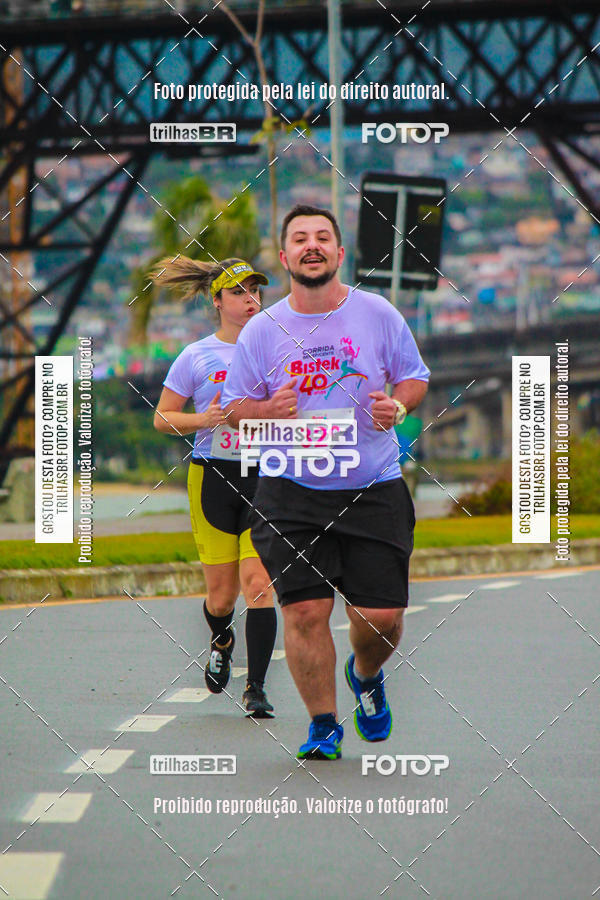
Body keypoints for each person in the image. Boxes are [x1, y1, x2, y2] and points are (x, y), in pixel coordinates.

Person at [221, 205, 430, 758]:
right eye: (299, 239)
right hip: (290, 490)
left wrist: (398, 407)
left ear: (339, 254)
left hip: (372, 485)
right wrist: (267, 408)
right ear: (284, 255)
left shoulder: (378, 314)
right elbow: (235, 408)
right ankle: (322, 724)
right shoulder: (262, 330)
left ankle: (364, 675)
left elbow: (413, 379)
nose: (311, 247)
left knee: (381, 617)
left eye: (322, 238)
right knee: (306, 610)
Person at [152, 256, 277, 717]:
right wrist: (203, 419)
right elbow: (163, 416)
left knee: (259, 584)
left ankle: (257, 689)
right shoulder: (197, 355)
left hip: (265, 476)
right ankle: (221, 638)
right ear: (218, 300)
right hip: (213, 476)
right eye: (240, 292)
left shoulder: (276, 349)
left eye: (256, 291)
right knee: (222, 596)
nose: (251, 300)